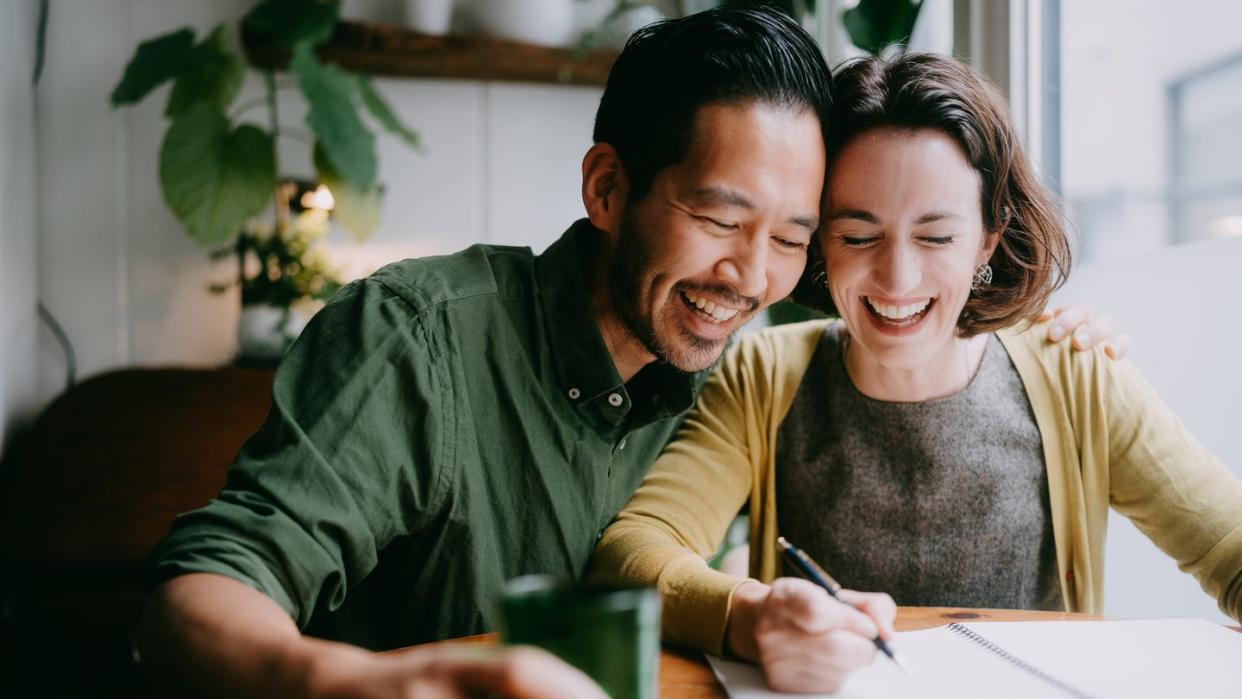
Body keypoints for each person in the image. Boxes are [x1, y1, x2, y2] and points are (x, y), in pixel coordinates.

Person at [137, 8, 1114, 696]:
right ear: (608, 189)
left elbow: (910, 331)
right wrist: (354, 685)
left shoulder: (756, 363)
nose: (750, 276)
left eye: (789, 238)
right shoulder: (420, 337)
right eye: (718, 218)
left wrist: (1041, 344)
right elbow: (208, 586)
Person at [589, 52, 1242, 695]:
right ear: (820, 244)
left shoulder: (1078, 374)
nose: (897, 279)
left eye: (935, 237)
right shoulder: (764, 375)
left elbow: (1230, 548)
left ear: (988, 237)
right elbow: (633, 550)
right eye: (858, 235)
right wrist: (749, 615)